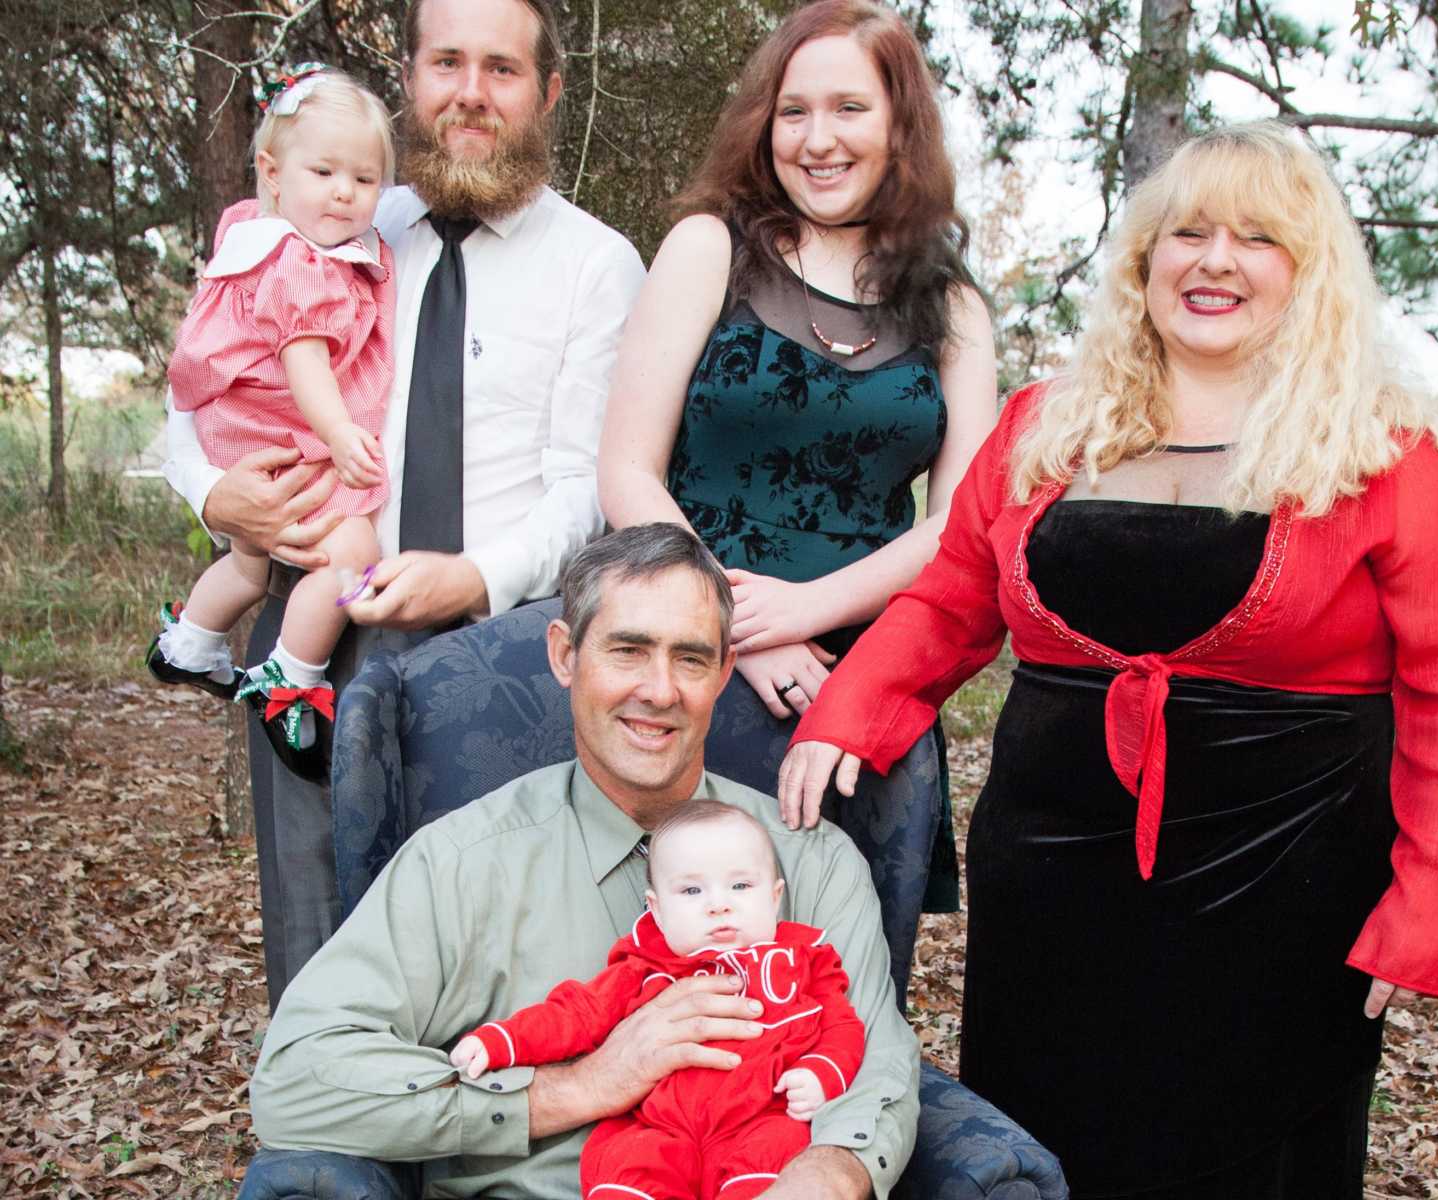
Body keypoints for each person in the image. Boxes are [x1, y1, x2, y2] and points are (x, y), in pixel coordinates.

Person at [780, 122, 1438, 1199]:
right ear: (1142, 261)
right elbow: (947, 603)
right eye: (1188, 233)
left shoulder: (1387, 455)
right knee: (1048, 1147)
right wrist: (848, 712)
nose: (1214, 260)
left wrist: (1425, 902)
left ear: (1308, 277)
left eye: (1258, 239)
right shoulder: (1043, 428)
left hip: (1286, 891)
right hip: (1053, 885)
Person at [162, 0, 646, 1008]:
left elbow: (585, 483)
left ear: (547, 92)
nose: (471, 91)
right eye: (448, 63)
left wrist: (471, 577)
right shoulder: (330, 223)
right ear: (410, 78)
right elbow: (199, 393)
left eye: (503, 70)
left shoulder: (595, 264)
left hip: (507, 650)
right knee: (316, 928)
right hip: (316, 633)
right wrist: (221, 501)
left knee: (497, 946)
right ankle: (328, 1150)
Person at [245, 524, 920, 1200]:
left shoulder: (809, 858)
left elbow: (876, 1059)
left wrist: (825, 1176)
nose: (659, 690)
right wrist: (578, 1087)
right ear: (566, 655)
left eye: (690, 659)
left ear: (721, 673)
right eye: (628, 650)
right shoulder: (461, 863)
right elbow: (297, 1075)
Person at [597, 0, 997, 994]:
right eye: (793, 111)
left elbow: (961, 523)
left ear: (899, 126)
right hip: (688, 655)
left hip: (864, 673)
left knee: (840, 977)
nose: (818, 140)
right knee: (668, 958)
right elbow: (624, 471)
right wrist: (736, 627)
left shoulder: (952, 305)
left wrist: (810, 613)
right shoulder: (708, 248)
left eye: (850, 109)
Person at [149, 67, 394, 774]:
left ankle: (190, 642)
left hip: (239, 438)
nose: (344, 192)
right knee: (353, 549)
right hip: (284, 437)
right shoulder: (303, 264)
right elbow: (304, 360)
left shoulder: (249, 235)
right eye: (324, 171)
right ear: (272, 172)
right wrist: (342, 433)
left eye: (364, 179)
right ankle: (293, 672)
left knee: (249, 563)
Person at [450, 800, 866, 1200]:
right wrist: (502, 1041)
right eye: (691, 891)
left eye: (740, 885)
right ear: (657, 909)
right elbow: (576, 1014)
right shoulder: (645, 969)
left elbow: (842, 1027)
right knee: (628, 1165)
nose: (719, 905)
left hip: (761, 1117)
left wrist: (820, 1072)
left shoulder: (804, 961)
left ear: (774, 898)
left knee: (781, 1155)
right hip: (661, 1125)